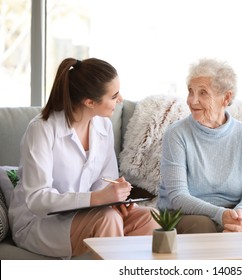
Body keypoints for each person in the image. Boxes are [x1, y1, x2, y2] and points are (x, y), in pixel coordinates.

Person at [8, 58, 159, 259]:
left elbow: (104, 182)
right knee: (107, 220)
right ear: (89, 102)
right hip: (38, 223)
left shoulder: (103, 127)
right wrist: (98, 199)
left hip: (87, 214)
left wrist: (115, 200)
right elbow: (38, 199)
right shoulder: (42, 130)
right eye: (114, 96)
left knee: (148, 217)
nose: (121, 99)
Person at [157, 58, 242, 234]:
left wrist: (240, 213)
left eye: (203, 93)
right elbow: (178, 197)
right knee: (202, 226)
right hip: (188, 212)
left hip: (234, 210)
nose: (192, 101)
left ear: (226, 98)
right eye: (191, 92)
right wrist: (220, 214)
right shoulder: (176, 134)